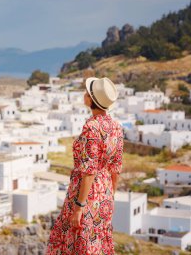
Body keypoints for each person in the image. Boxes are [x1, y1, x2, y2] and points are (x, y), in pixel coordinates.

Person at [46, 77, 124, 255]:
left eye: (87, 93)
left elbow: (89, 171)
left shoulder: (91, 128)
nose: (84, 94)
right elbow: (116, 167)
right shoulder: (116, 127)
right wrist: (110, 196)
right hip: (105, 194)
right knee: (96, 244)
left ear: (91, 99)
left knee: (79, 242)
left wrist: (79, 207)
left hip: (86, 194)